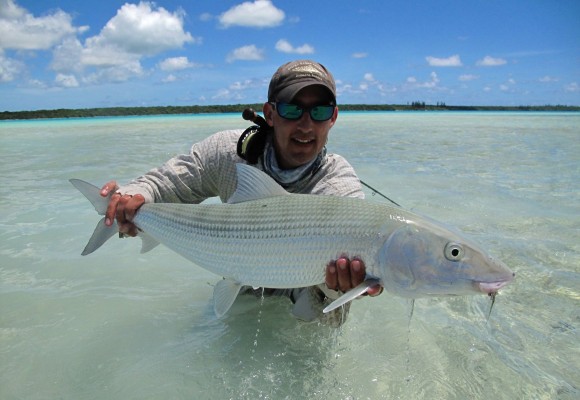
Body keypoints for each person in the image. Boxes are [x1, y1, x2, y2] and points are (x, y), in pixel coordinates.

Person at [100, 60, 381, 326]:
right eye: (292, 110)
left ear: (333, 117)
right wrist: (130, 198)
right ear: (270, 114)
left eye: (319, 111)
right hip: (242, 276)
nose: (306, 125)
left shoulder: (338, 185)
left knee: (322, 325)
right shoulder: (227, 153)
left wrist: (341, 287)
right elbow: (163, 184)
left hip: (311, 294)